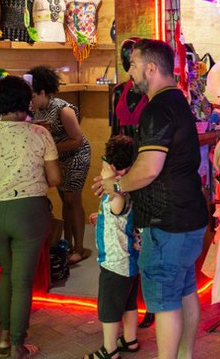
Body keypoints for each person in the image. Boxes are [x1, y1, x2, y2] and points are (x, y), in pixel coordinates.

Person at [93, 39, 209, 359]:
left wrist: (117, 187)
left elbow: (148, 169)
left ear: (151, 68)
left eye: (132, 65)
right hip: (189, 216)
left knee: (165, 302)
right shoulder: (178, 101)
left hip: (166, 221)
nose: (130, 72)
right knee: (185, 291)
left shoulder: (156, 108)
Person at [0, 75, 61, 359]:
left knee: (7, 272)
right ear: (26, 102)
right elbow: (54, 178)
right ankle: (17, 345)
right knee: (23, 281)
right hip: (28, 213)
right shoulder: (40, 134)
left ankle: (4, 337)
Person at [111, 38, 154, 329]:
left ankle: (150, 303)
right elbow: (113, 130)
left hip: (148, 166)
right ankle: (129, 303)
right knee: (126, 238)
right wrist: (111, 166)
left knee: (146, 238)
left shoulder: (153, 93)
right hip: (123, 165)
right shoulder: (117, 91)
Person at [29, 65, 92, 265]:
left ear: (42, 92)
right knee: (65, 199)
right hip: (57, 157)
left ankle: (80, 248)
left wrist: (49, 148)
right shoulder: (38, 110)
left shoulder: (63, 109)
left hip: (75, 156)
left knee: (73, 200)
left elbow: (77, 140)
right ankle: (68, 243)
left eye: (32, 95)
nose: (30, 100)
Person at [85, 136, 140, 359]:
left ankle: (110, 350)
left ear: (113, 168)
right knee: (129, 303)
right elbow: (117, 216)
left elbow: (117, 205)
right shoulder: (130, 186)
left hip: (115, 263)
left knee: (109, 308)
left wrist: (111, 185)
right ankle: (130, 340)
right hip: (129, 261)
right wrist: (101, 216)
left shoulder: (119, 193)